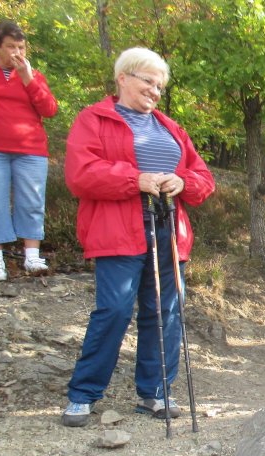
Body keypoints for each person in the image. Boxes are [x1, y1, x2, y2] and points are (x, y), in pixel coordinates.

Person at [61, 47, 215, 427]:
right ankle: (83, 394)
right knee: (113, 309)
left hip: (168, 225)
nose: (155, 91)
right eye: (149, 81)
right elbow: (80, 174)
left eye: (160, 86)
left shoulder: (170, 127)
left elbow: (203, 178)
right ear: (123, 78)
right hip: (118, 227)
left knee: (165, 310)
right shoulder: (94, 119)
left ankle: (156, 392)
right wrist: (136, 180)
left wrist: (183, 181)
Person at [0, 20, 57, 282]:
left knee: (32, 202)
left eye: (21, 46)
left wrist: (28, 79)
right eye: (10, 47)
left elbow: (49, 110)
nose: (17, 52)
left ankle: (32, 257)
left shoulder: (34, 75)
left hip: (30, 150)